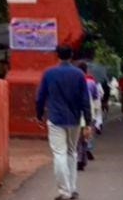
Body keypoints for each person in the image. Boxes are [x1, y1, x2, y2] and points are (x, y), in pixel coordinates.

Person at [35, 45, 89, 200]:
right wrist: (88, 121)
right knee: (72, 152)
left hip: (56, 118)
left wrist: (39, 114)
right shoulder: (79, 74)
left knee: (59, 154)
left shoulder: (49, 74)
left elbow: (40, 97)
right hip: (74, 119)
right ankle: (72, 189)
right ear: (71, 55)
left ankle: (64, 191)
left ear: (57, 56)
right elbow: (85, 99)